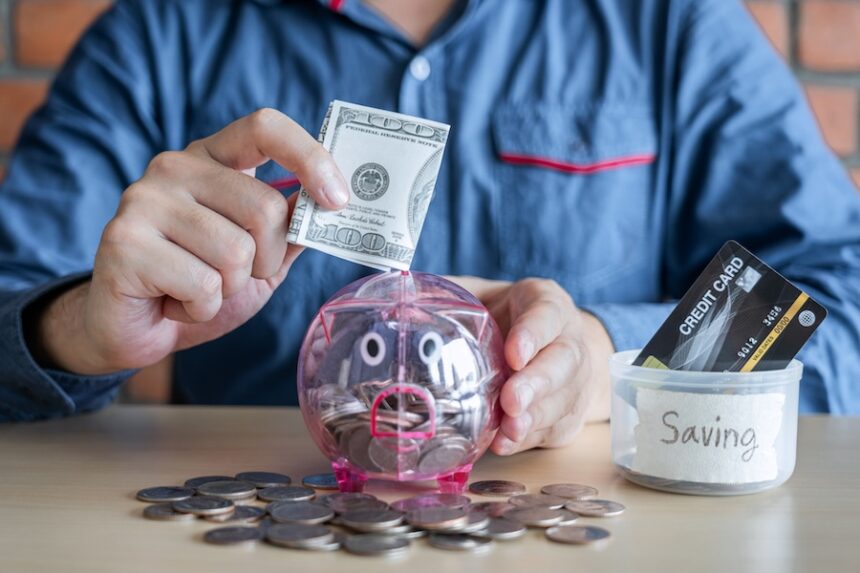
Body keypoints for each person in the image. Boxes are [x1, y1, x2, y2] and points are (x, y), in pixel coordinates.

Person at [1, 0, 858, 455]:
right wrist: (77, 327)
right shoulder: (160, 33)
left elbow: (839, 302)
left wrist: (614, 367)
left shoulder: (671, 21)